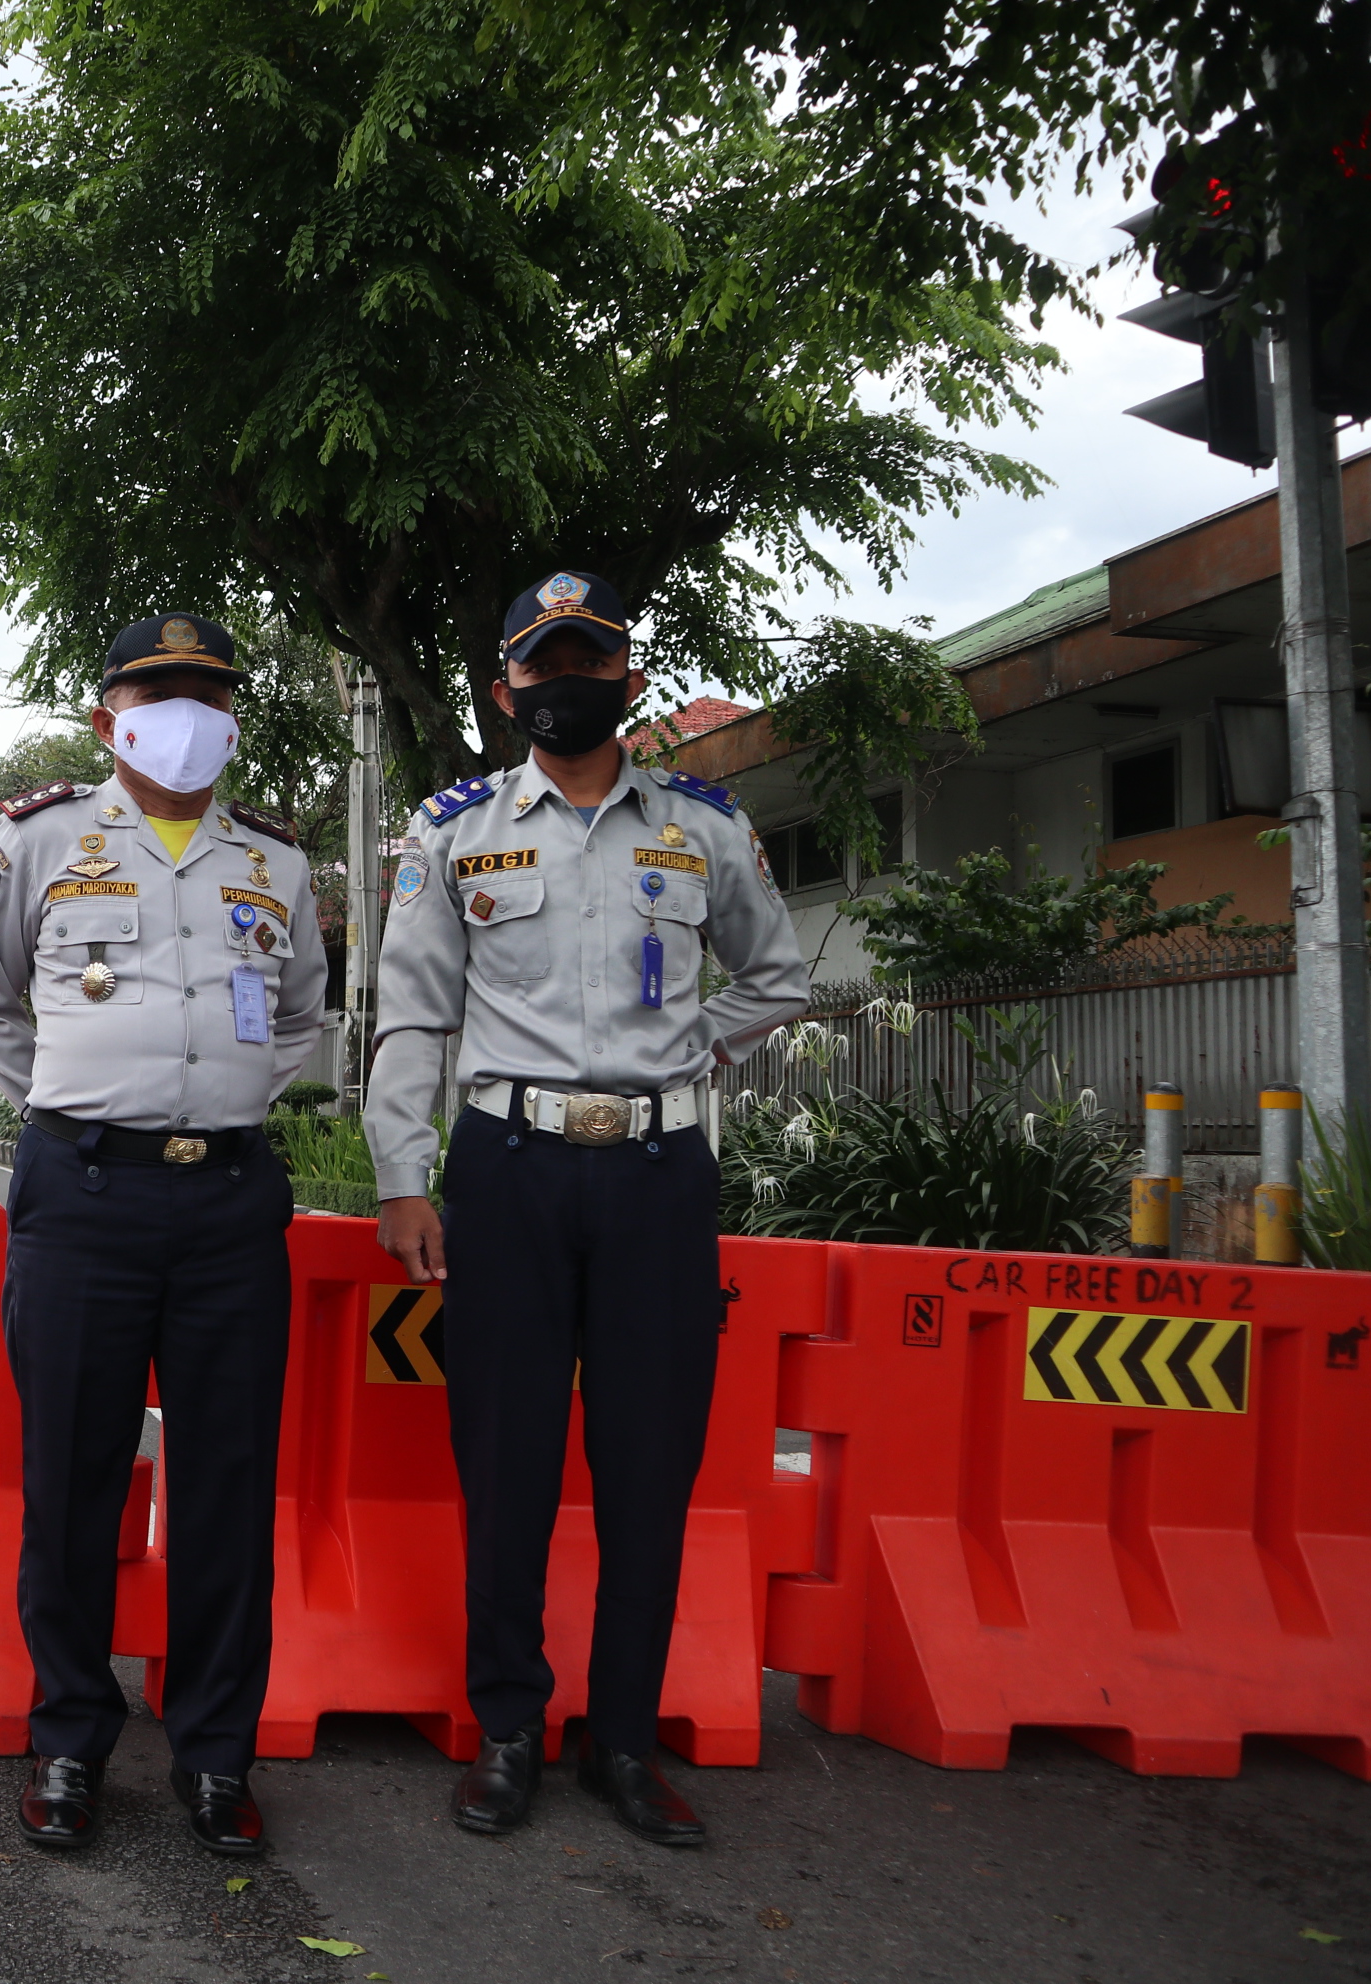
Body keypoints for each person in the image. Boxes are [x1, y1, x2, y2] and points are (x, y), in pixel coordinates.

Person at [363, 571, 807, 1847]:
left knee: (649, 1467)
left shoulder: (703, 828)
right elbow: (415, 1016)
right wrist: (403, 1172)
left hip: (662, 1180)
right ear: (505, 689)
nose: (567, 680)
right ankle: (508, 1728)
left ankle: (624, 1740)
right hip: (509, 1168)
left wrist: (692, 1048)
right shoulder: (453, 834)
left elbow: (775, 973)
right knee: (505, 1462)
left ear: (629, 676)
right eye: (542, 663)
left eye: (591, 658)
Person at [0, 611, 328, 1857]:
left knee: (227, 1486)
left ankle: (218, 1757)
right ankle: (68, 1741)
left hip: (228, 1202)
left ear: (231, 716)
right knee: (71, 1480)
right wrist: (76, 1109)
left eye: (207, 691)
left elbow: (303, 1019)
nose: (185, 711)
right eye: (158, 690)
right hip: (84, 1197)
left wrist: (215, 1105)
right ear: (108, 714)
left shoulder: (273, 861)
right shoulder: (42, 834)